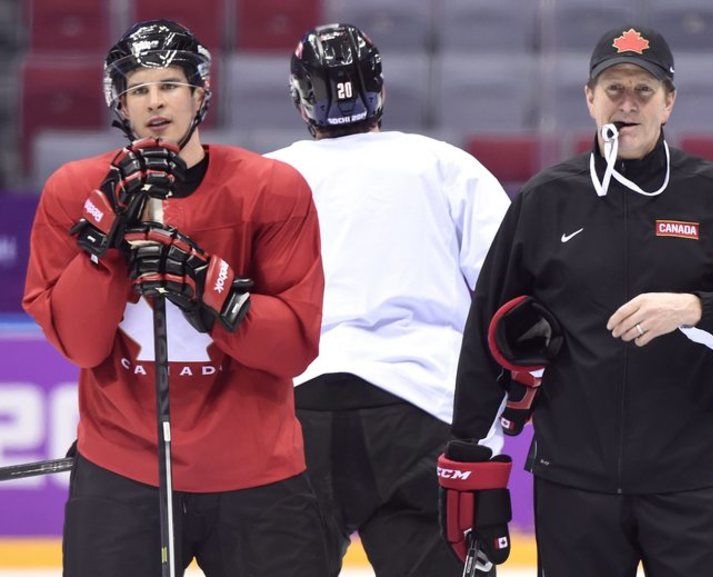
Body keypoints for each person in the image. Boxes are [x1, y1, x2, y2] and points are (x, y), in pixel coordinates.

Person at [443, 24, 713, 577]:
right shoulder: (545, 201)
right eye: (614, 90)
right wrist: (471, 456)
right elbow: (487, 334)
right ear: (589, 99)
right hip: (573, 487)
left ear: (669, 102)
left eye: (643, 91)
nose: (627, 105)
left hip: (689, 485)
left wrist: (696, 309)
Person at [23, 19, 327, 577]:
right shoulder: (73, 191)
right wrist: (107, 235)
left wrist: (206, 284)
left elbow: (293, 350)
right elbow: (83, 345)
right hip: (122, 474)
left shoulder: (272, 188)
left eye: (169, 85)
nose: (155, 102)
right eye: (138, 89)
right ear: (120, 103)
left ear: (200, 94)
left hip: (256, 476)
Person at [264, 23, 512, 577]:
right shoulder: (445, 165)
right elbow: (513, 298)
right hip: (422, 410)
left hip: (295, 414)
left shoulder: (266, 176)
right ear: (381, 90)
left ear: (302, 98)